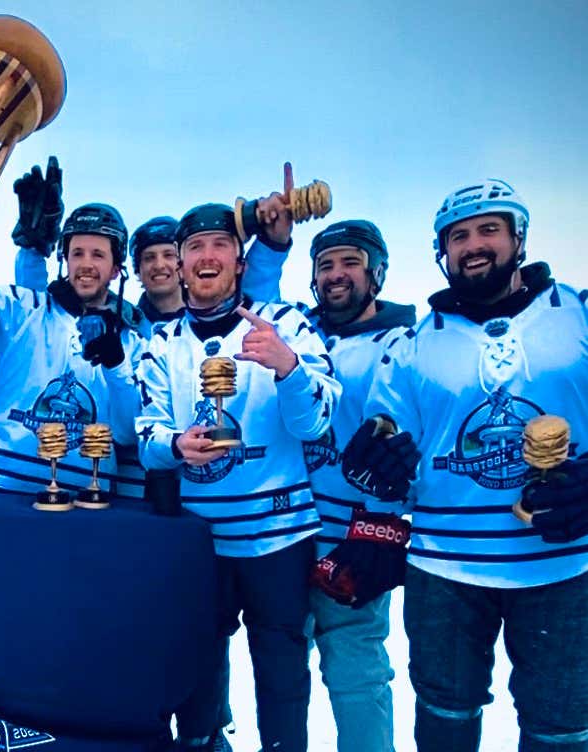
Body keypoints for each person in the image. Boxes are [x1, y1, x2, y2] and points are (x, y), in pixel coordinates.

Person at [343, 179, 588, 752]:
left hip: (561, 565)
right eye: (459, 236)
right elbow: (386, 442)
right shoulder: (412, 344)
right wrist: (376, 465)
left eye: (488, 230)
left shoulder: (578, 317)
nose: (473, 245)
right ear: (441, 252)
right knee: (444, 721)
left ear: (518, 238)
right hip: (445, 569)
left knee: (562, 729)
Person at [135, 202, 340, 752]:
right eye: (194, 248)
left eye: (220, 245)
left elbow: (316, 422)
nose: (207, 256)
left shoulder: (288, 323)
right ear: (179, 265)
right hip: (202, 542)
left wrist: (288, 367)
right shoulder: (161, 343)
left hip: (279, 538)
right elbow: (147, 438)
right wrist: (175, 446)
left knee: (282, 674)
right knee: (198, 668)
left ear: (240, 262)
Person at [290, 220, 417, 752]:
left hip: (350, 538)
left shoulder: (405, 344)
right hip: (282, 530)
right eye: (325, 265)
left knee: (356, 670)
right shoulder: (296, 335)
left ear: (376, 273)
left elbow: (411, 449)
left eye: (350, 263)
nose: (336, 275)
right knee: (278, 667)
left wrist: (382, 529)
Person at [0, 198, 145, 497]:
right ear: (64, 259)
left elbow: (127, 433)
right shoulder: (23, 309)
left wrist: (116, 366)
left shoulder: (131, 343)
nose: (86, 264)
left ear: (117, 268)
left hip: (85, 507)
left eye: (98, 254)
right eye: (77, 253)